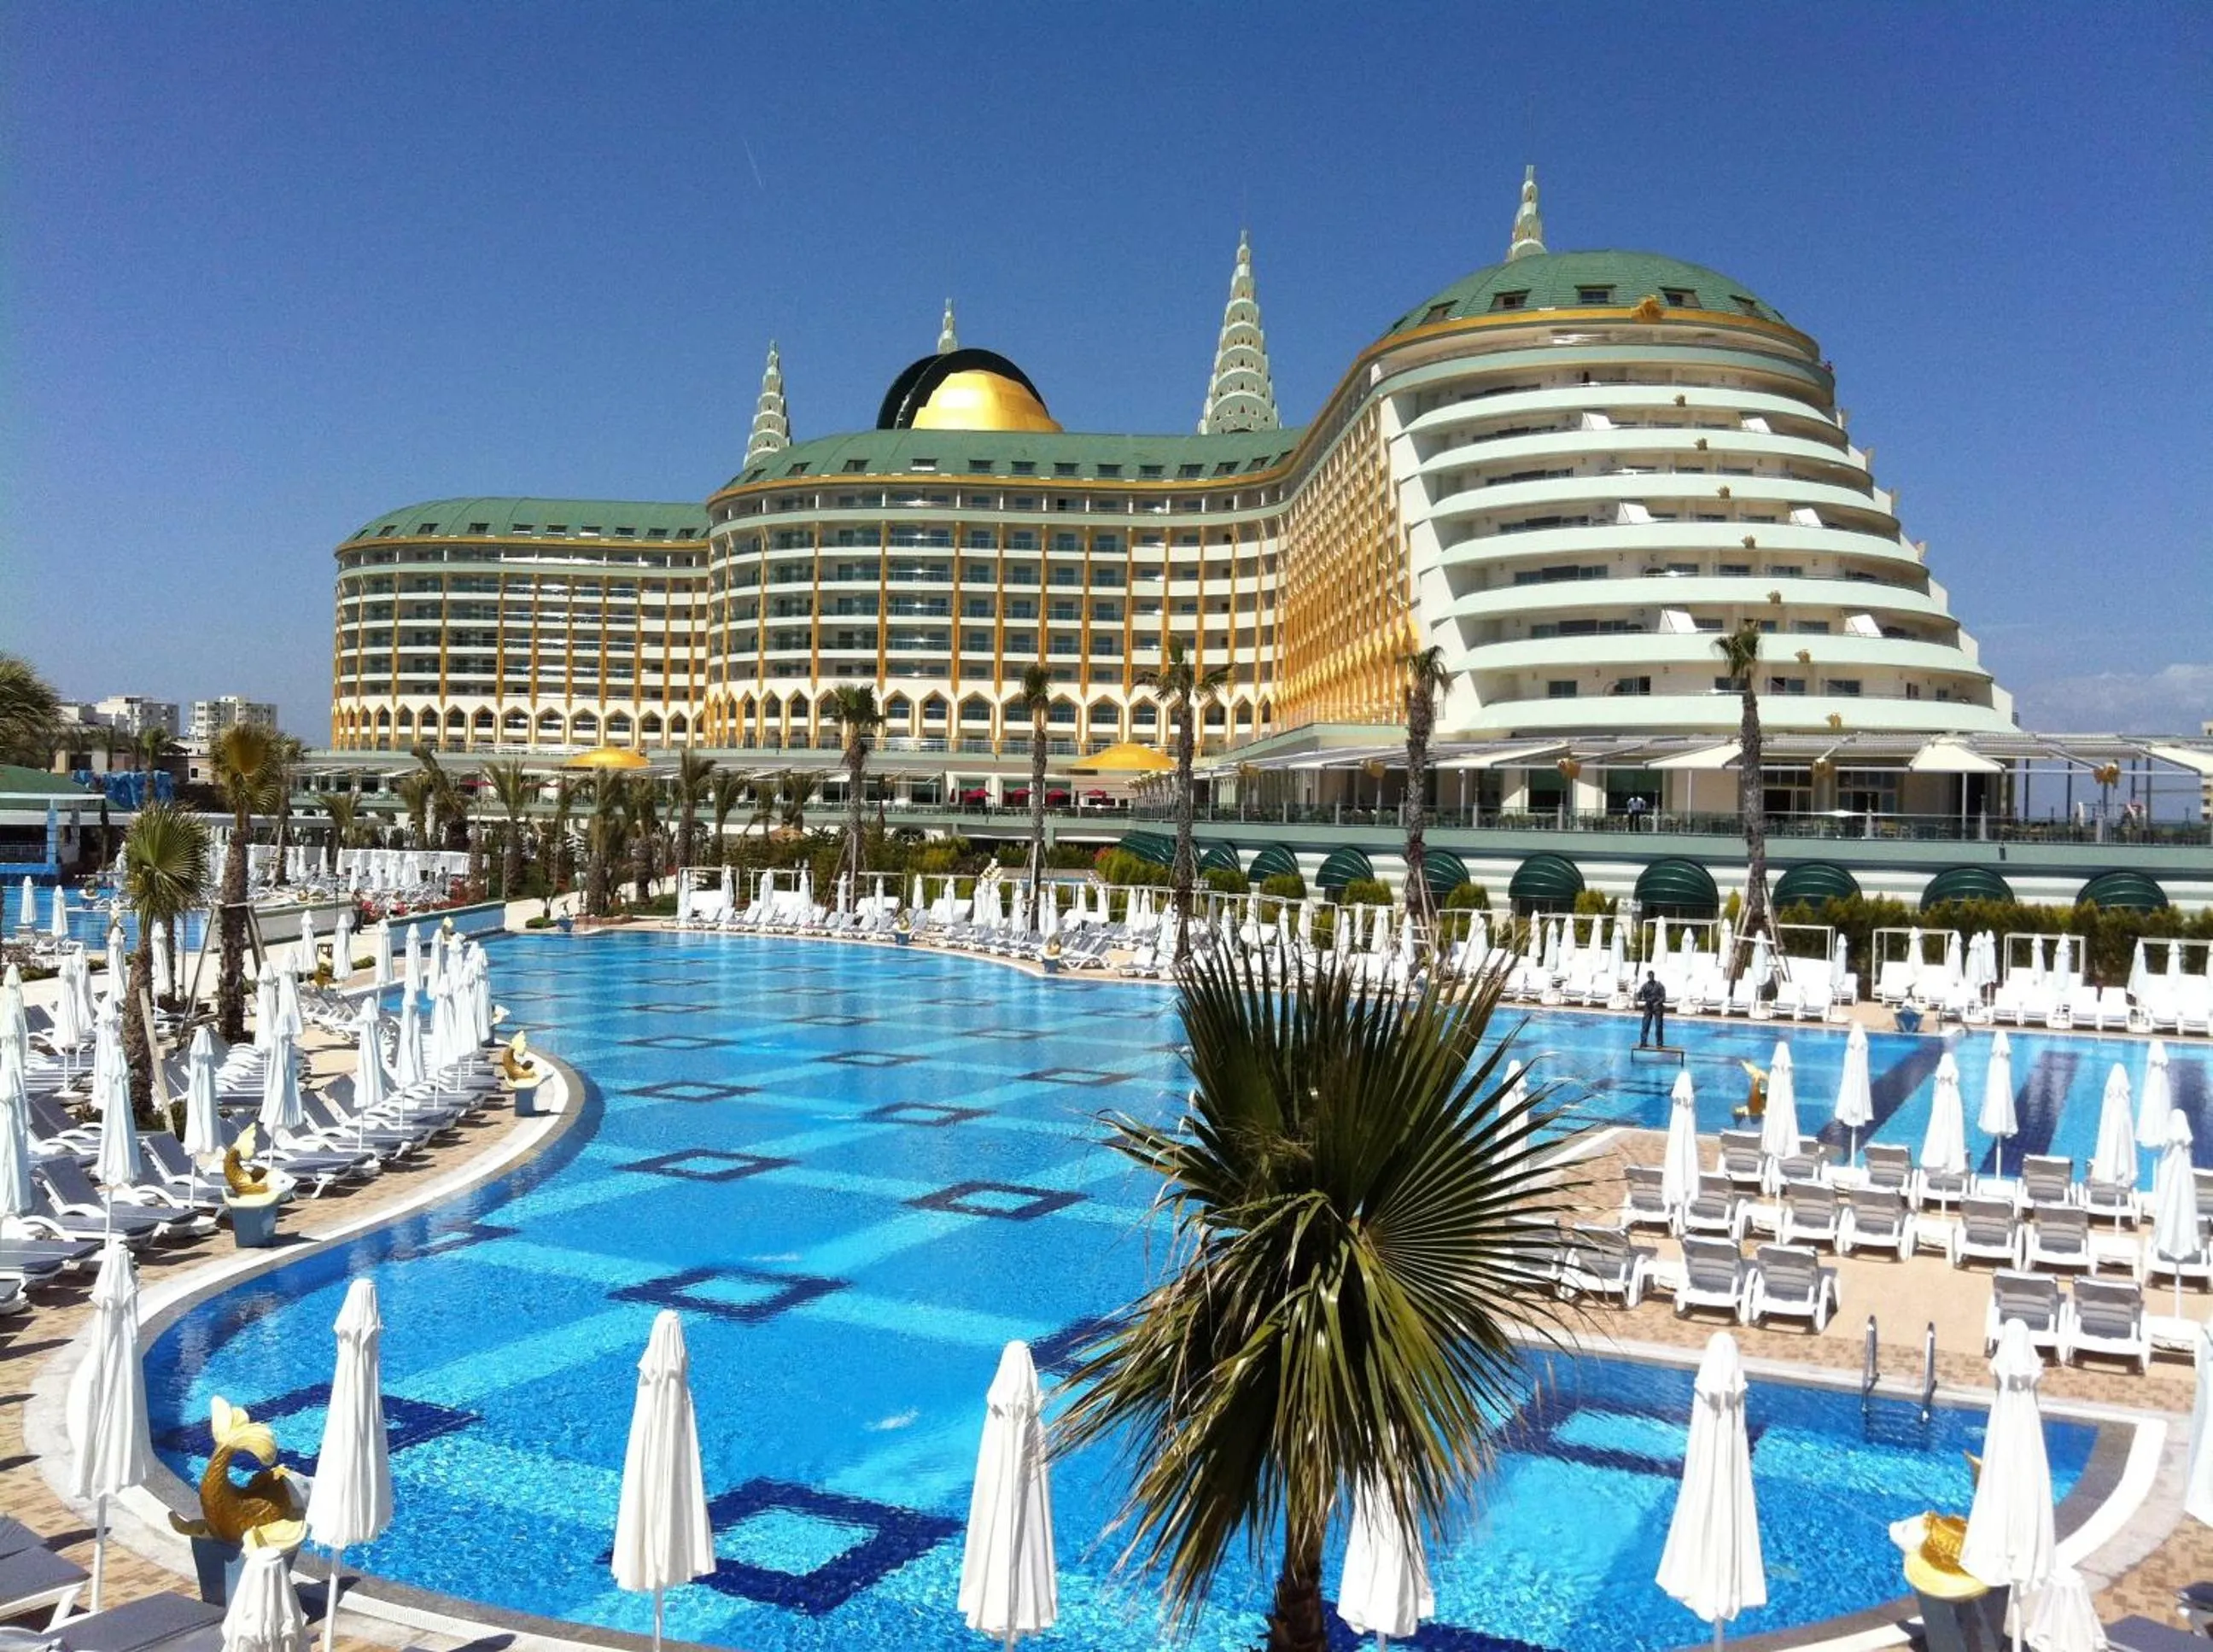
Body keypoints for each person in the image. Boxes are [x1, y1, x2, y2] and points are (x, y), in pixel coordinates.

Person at [1636, 970, 1667, 1048]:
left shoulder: (1659, 985)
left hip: (1657, 1007)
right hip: (1648, 1007)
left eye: (1652, 975)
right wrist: (1638, 995)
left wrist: (1658, 1002)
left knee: (1659, 1025)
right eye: (1649, 976)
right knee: (1645, 1025)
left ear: (1654, 976)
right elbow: (1639, 996)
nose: (1651, 977)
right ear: (1648, 977)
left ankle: (1659, 1044)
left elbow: (1663, 997)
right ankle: (1643, 1042)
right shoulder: (1645, 986)